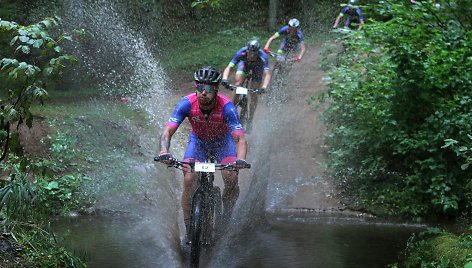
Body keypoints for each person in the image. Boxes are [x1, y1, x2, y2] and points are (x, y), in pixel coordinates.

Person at [157, 66, 248, 239]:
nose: (203, 93)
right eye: (199, 88)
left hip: (223, 142)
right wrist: (164, 151)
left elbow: (239, 139)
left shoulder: (227, 107)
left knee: (231, 176)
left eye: (208, 89)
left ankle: (227, 214)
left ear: (216, 90)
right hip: (198, 142)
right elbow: (168, 131)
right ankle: (189, 227)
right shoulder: (186, 103)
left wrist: (241, 159)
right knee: (190, 179)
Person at [221, 39, 271, 104]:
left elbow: (267, 74)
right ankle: (233, 109)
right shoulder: (240, 53)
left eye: (254, 54)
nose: (252, 56)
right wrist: (224, 78)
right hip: (244, 64)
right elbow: (229, 67)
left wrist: (264, 87)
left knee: (254, 93)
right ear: (247, 51)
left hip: (258, 67)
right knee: (238, 85)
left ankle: (251, 114)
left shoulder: (263, 56)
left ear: (258, 52)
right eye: (250, 53)